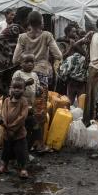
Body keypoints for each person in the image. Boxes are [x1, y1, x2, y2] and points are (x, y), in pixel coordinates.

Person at [12, 10, 61, 145]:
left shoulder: (22, 37)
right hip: (42, 74)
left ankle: (23, 139)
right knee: (39, 108)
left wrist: (25, 60)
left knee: (24, 107)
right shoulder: (47, 36)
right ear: (41, 22)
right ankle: (39, 142)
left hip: (25, 77)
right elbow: (58, 55)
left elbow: (15, 59)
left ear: (29, 22)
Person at [0, 77, 30, 179]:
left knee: (21, 151)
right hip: (7, 131)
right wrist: (5, 124)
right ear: (10, 88)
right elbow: (3, 113)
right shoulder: (7, 100)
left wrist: (13, 128)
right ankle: (4, 165)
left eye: (20, 88)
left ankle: (23, 168)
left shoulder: (24, 101)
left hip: (19, 132)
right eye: (14, 87)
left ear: (24, 90)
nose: (17, 90)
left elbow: (22, 116)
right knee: (6, 150)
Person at [12, 53, 42, 151]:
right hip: (19, 107)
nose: (30, 64)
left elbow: (37, 89)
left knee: (34, 128)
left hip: (30, 107)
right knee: (22, 129)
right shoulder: (18, 73)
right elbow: (14, 88)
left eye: (32, 62)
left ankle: (27, 149)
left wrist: (39, 90)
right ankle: (19, 150)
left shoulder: (35, 75)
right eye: (26, 62)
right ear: (21, 63)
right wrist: (26, 83)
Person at [58, 39, 87, 106]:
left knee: (69, 101)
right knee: (81, 101)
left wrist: (65, 79)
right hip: (81, 84)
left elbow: (62, 71)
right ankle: (80, 114)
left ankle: (67, 114)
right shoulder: (86, 59)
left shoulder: (69, 58)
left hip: (71, 83)